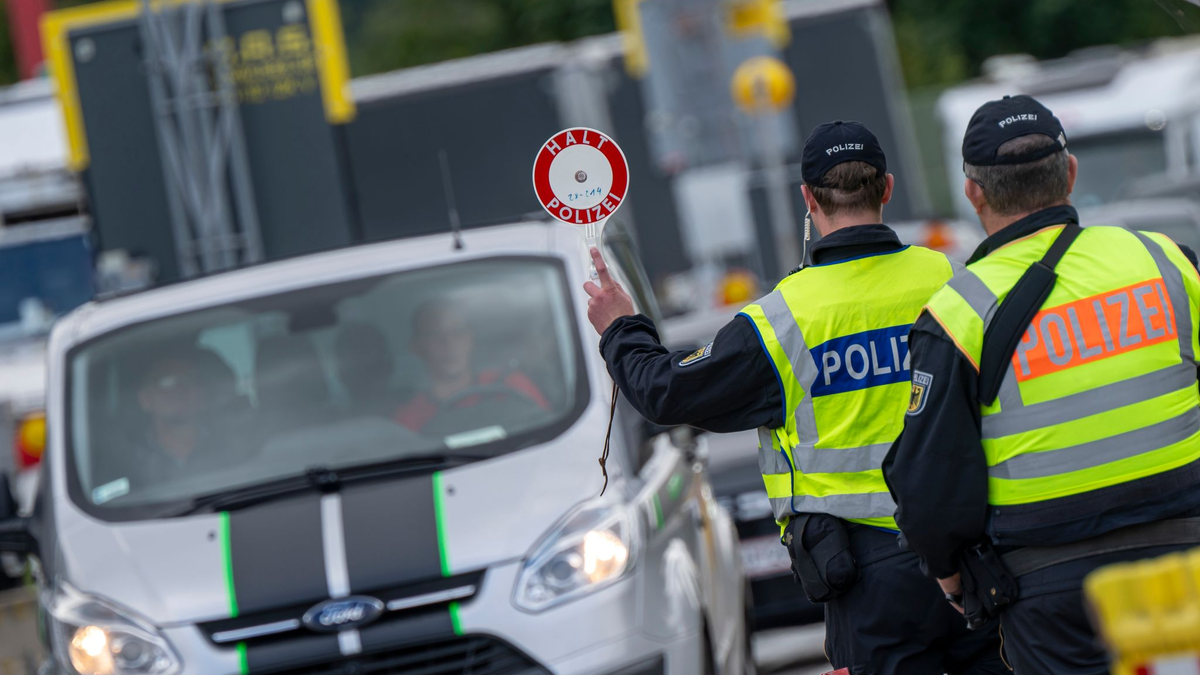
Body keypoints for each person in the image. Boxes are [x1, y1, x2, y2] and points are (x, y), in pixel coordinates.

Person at [584, 121, 1005, 675]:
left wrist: (620, 328)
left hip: (868, 581)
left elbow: (664, 392)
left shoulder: (782, 320)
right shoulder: (952, 278)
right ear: (887, 187)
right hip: (973, 553)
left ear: (808, 198)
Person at [884, 94, 1200, 674]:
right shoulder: (1165, 261)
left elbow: (929, 481)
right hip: (1188, 558)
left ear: (973, 192)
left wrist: (953, 581)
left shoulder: (958, 313)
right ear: (1070, 172)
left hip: (1054, 589)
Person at [395, 300, 549, 432]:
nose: (448, 344)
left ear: (470, 339)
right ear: (417, 347)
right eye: (435, 335)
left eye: (457, 333)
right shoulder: (408, 420)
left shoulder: (511, 385)